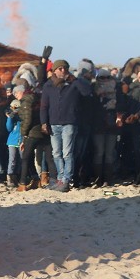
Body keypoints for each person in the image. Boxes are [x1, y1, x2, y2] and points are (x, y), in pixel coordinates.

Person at [40, 59, 93, 192]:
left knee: (67, 153)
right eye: (60, 68)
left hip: (69, 122)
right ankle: (60, 178)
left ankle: (66, 180)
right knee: (56, 153)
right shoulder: (48, 85)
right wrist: (43, 122)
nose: (63, 71)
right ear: (54, 70)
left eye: (65, 68)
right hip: (53, 123)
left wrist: (74, 80)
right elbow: (44, 106)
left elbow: (86, 92)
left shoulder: (73, 83)